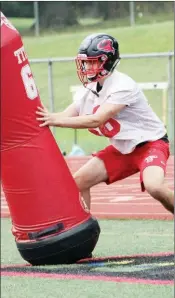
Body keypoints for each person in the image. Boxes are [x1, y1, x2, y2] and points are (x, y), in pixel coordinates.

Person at [36, 33, 174, 214]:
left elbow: (97, 119)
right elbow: (63, 115)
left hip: (150, 144)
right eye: (86, 62)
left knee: (154, 186)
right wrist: (41, 113)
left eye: (94, 62)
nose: (87, 67)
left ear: (107, 61)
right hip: (122, 149)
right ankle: (83, 233)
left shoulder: (123, 85)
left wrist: (56, 121)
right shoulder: (89, 89)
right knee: (78, 182)